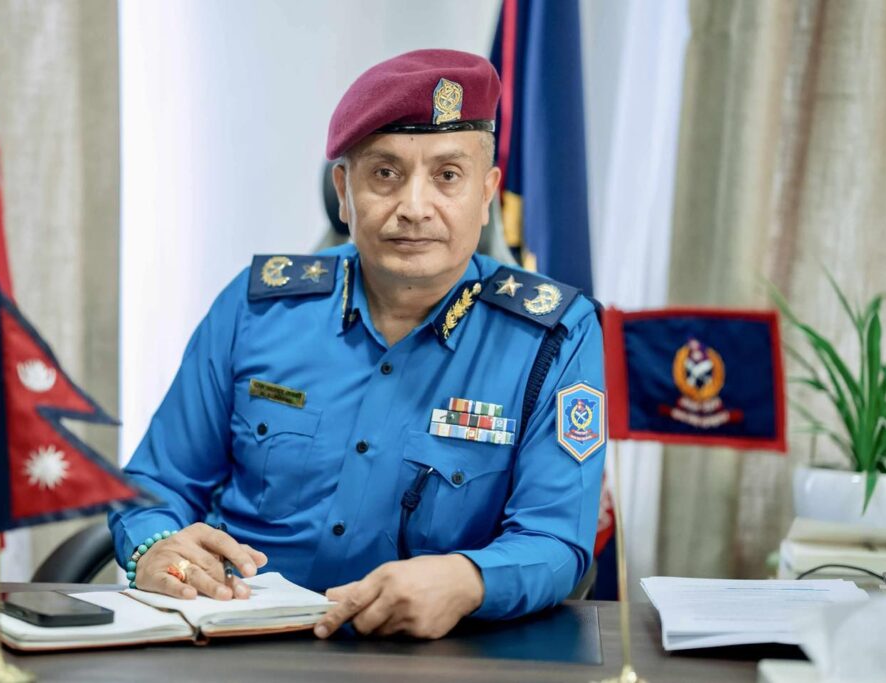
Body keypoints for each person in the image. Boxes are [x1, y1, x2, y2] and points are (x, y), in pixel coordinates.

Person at [108, 48, 606, 640]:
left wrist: (469, 579)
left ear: (486, 194)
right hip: (244, 641)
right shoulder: (256, 307)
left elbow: (555, 538)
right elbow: (155, 484)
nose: (414, 208)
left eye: (448, 176)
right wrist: (157, 547)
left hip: (437, 656)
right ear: (344, 192)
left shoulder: (554, 335)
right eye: (385, 174)